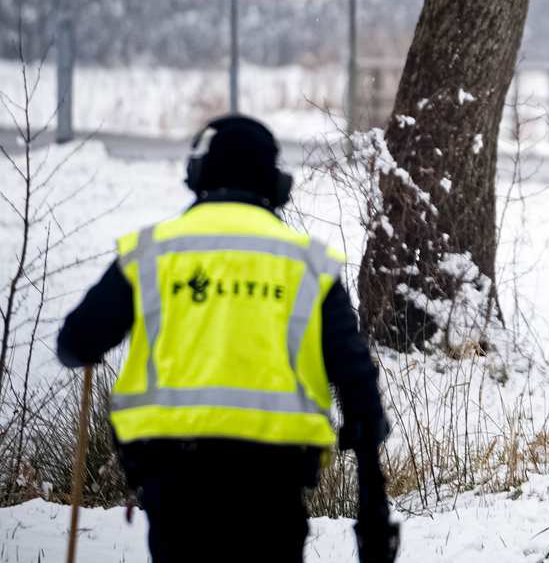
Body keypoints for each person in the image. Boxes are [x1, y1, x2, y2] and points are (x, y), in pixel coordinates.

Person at [57, 115, 398, 562]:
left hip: (173, 482)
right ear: (278, 185)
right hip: (274, 481)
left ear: (197, 177)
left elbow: (76, 343)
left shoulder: (152, 253)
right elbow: (356, 382)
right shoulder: (309, 265)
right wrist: (371, 498)